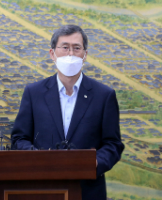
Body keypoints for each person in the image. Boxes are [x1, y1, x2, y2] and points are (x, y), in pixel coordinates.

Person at [11, 24, 124, 200]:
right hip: (42, 188)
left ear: (85, 55)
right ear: (52, 54)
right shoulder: (34, 93)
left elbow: (113, 143)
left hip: (88, 191)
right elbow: (19, 139)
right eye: (65, 47)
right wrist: (38, 159)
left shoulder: (104, 95)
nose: (70, 53)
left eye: (76, 48)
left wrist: (95, 162)